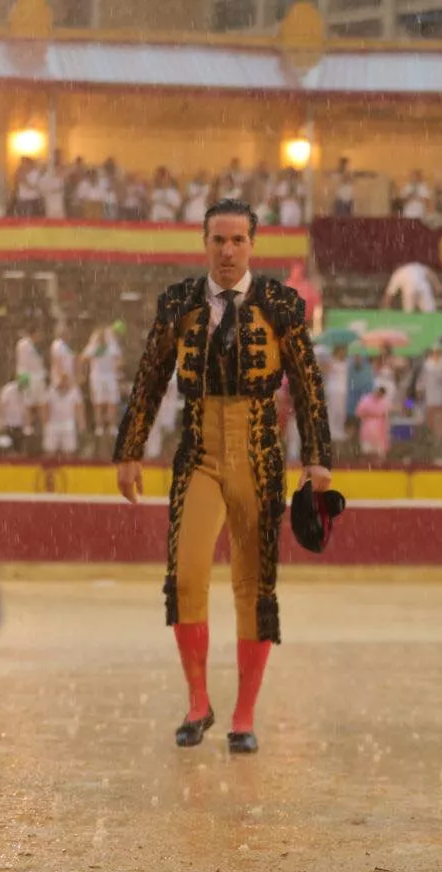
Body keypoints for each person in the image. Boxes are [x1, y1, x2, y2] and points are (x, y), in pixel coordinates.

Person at [113, 198, 333, 755]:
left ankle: (242, 714)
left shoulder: (280, 304)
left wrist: (318, 456)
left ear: (253, 245)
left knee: (253, 589)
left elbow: (307, 384)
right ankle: (197, 702)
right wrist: (129, 449)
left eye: (238, 241)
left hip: (260, 460)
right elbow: (150, 376)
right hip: (200, 457)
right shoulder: (181, 304)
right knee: (185, 576)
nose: (228, 251)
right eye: (219, 240)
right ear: (205, 243)